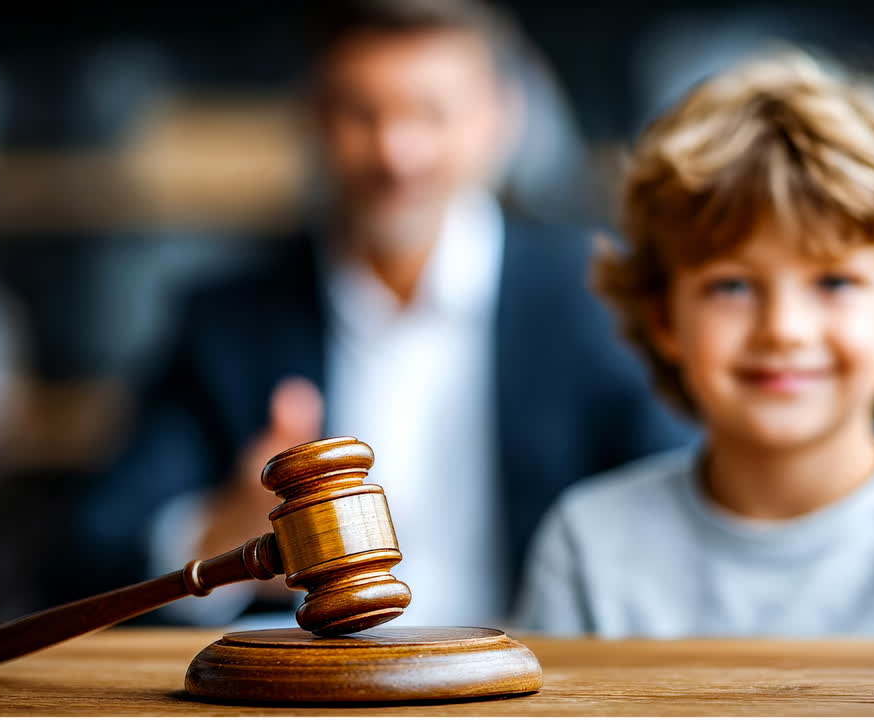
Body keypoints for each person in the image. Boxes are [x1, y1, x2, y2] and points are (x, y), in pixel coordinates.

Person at [66, 0, 690, 628]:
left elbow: (677, 514)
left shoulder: (591, 300)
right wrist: (223, 541)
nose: (396, 152)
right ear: (316, 119)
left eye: (431, 113)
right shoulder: (229, 322)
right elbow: (94, 555)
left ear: (501, 117)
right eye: (362, 114)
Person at [513, 51, 874, 640]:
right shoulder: (588, 543)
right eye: (731, 285)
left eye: (834, 282)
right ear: (663, 318)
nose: (783, 328)